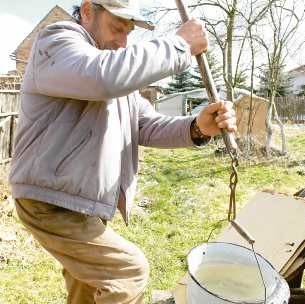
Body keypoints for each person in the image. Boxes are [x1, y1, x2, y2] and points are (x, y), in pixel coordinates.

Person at [9, 0, 237, 303]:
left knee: (86, 289)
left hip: (83, 203)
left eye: (129, 33)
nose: (123, 42)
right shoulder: (58, 42)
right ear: (88, 11)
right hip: (51, 201)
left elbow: (146, 124)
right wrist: (180, 45)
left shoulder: (114, 73)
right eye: (118, 28)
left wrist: (197, 127)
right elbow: (102, 77)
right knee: (127, 272)